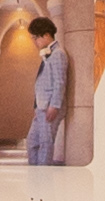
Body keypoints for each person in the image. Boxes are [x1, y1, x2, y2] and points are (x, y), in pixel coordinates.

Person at [20, 13, 76, 164]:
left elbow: (60, 82)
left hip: (50, 108)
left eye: (35, 37)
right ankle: (35, 174)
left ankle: (42, 177)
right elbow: (41, 83)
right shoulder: (49, 54)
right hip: (42, 107)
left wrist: (54, 106)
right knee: (32, 142)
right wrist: (37, 107)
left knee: (45, 145)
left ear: (46, 35)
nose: (34, 41)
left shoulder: (58, 54)